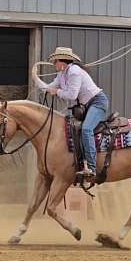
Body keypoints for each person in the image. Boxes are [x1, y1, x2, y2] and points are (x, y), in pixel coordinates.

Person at [39, 47, 109, 179]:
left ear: (62, 62)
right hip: (87, 105)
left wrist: (57, 92)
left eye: (55, 61)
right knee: (74, 129)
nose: (54, 64)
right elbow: (47, 88)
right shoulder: (62, 74)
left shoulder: (74, 72)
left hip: (97, 102)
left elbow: (72, 95)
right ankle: (80, 164)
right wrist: (35, 78)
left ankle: (92, 168)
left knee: (86, 129)